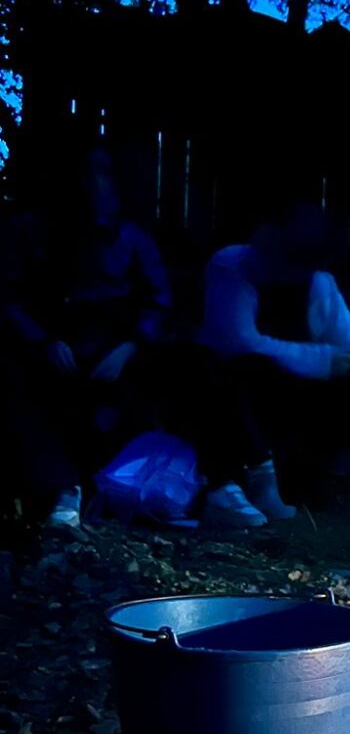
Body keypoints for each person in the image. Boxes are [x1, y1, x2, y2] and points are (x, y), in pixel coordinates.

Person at [0, 143, 269, 531]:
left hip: (122, 350)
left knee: (200, 364)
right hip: (55, 352)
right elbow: (9, 299)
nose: (96, 184)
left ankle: (225, 483)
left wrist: (132, 344)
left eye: (104, 174)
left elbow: (158, 301)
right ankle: (62, 490)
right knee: (14, 381)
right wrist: (43, 341)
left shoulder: (131, 237)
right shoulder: (27, 233)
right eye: (87, 175)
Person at [199, 202, 350, 517]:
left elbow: (346, 350)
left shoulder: (319, 283)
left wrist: (323, 363)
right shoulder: (232, 267)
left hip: (302, 393)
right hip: (250, 390)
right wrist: (321, 359)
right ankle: (263, 483)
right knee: (247, 369)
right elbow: (239, 343)